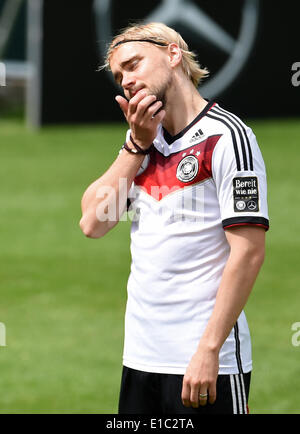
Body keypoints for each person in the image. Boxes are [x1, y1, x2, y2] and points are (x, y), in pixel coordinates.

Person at [79, 22, 269, 414]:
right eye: (119, 76)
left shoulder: (228, 137)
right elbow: (93, 223)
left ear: (172, 54)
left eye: (133, 65)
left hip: (201, 361)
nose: (126, 81)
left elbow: (248, 253)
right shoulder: (143, 141)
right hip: (141, 358)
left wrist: (209, 349)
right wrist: (135, 145)